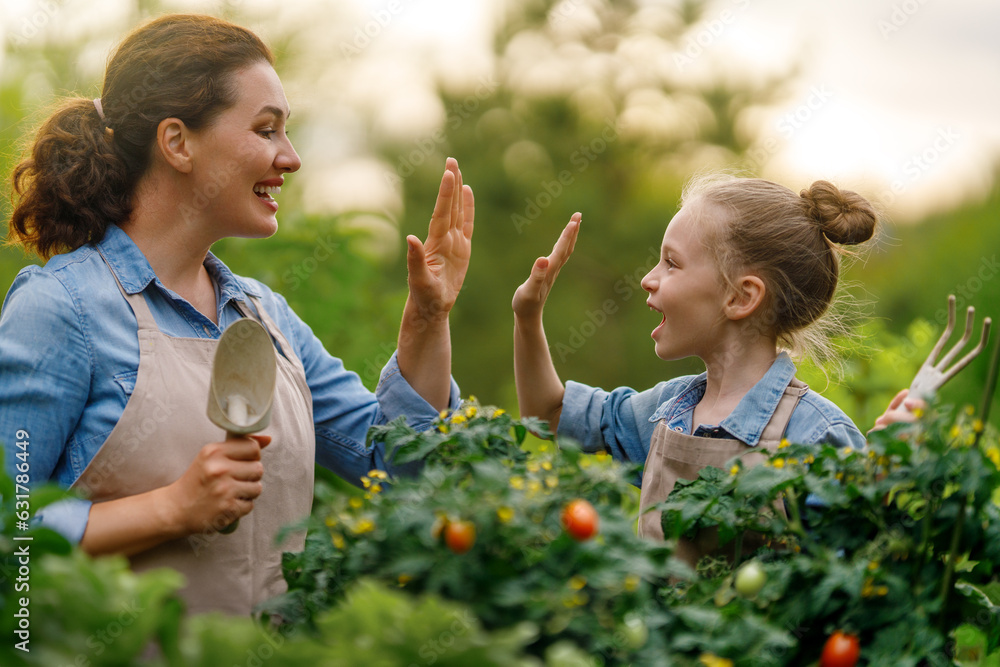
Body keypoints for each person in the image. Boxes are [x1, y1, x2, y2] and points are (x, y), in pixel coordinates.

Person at [0, 14, 474, 615]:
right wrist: (171, 508)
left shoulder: (264, 317)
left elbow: (396, 467)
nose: (291, 158)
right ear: (177, 143)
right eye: (266, 129)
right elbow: (10, 532)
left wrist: (428, 319)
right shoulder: (61, 309)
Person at [512, 174, 883, 562]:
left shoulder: (818, 436)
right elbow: (549, 414)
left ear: (741, 296)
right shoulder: (665, 412)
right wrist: (527, 315)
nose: (647, 279)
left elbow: (851, 583)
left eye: (671, 263)